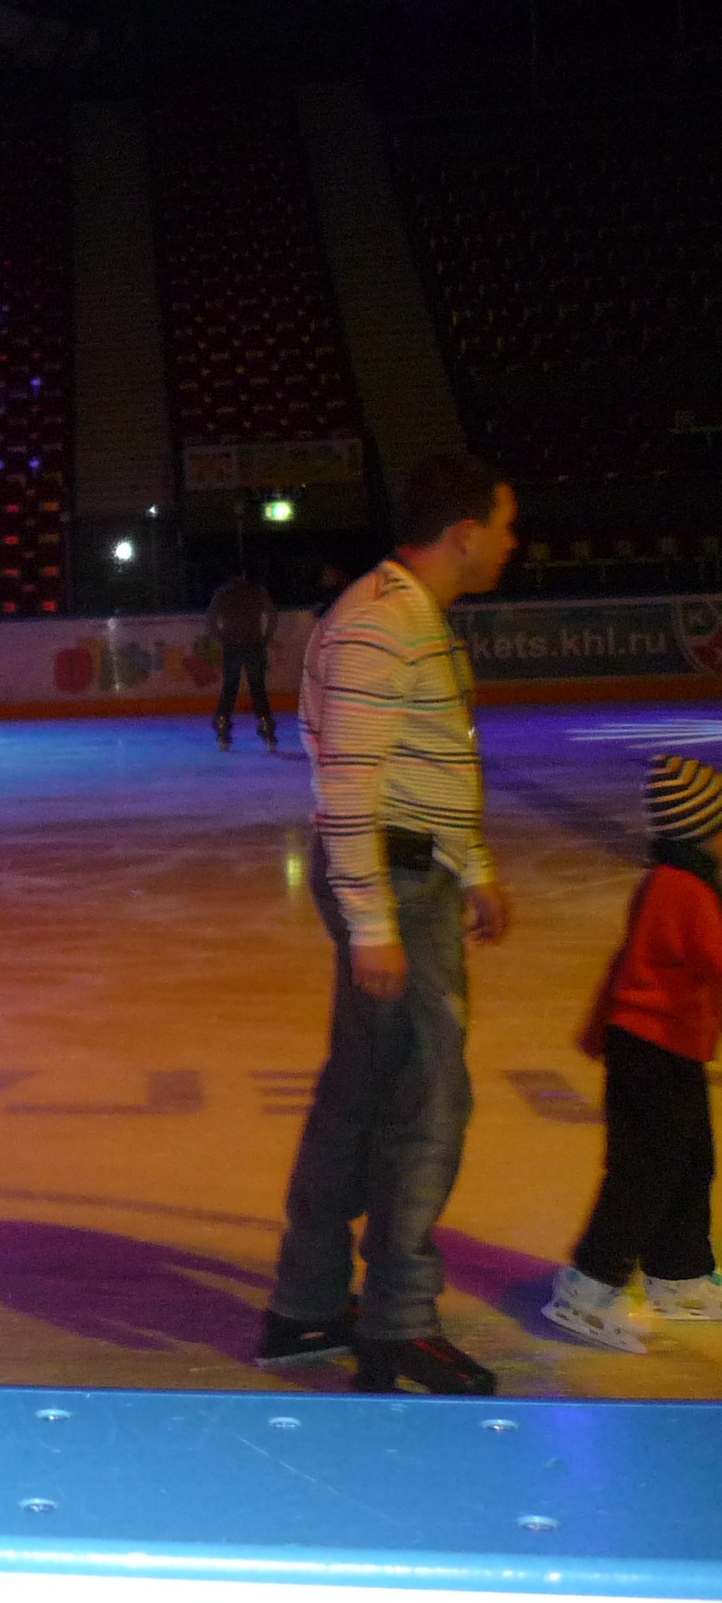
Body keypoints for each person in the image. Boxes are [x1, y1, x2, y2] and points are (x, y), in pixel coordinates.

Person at [257, 451, 518, 1395]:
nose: (513, 543)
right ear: (463, 533)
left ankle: (308, 1305)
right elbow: (350, 783)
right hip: (395, 886)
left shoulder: (410, 617)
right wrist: (373, 921)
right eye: (505, 525)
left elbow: (431, 762)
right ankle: (399, 1323)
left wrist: (473, 867)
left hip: (414, 875)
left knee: (362, 1092)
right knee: (428, 1103)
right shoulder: (379, 622)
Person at [543, 755, 722, 1351]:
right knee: (644, 1172)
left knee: (690, 1160)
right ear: (702, 831)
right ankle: (589, 1287)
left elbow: (627, 962)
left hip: (668, 1047)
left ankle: (680, 1274)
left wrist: (599, 1028)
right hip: (651, 1051)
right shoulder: (683, 888)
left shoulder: (683, 881)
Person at [206, 566, 278, 751]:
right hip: (254, 645)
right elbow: (272, 615)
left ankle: (223, 730)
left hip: (232, 646)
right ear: (244, 574)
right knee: (258, 689)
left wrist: (221, 637)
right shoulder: (257, 591)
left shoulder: (222, 593)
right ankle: (267, 730)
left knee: (229, 689)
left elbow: (211, 620)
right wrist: (266, 637)